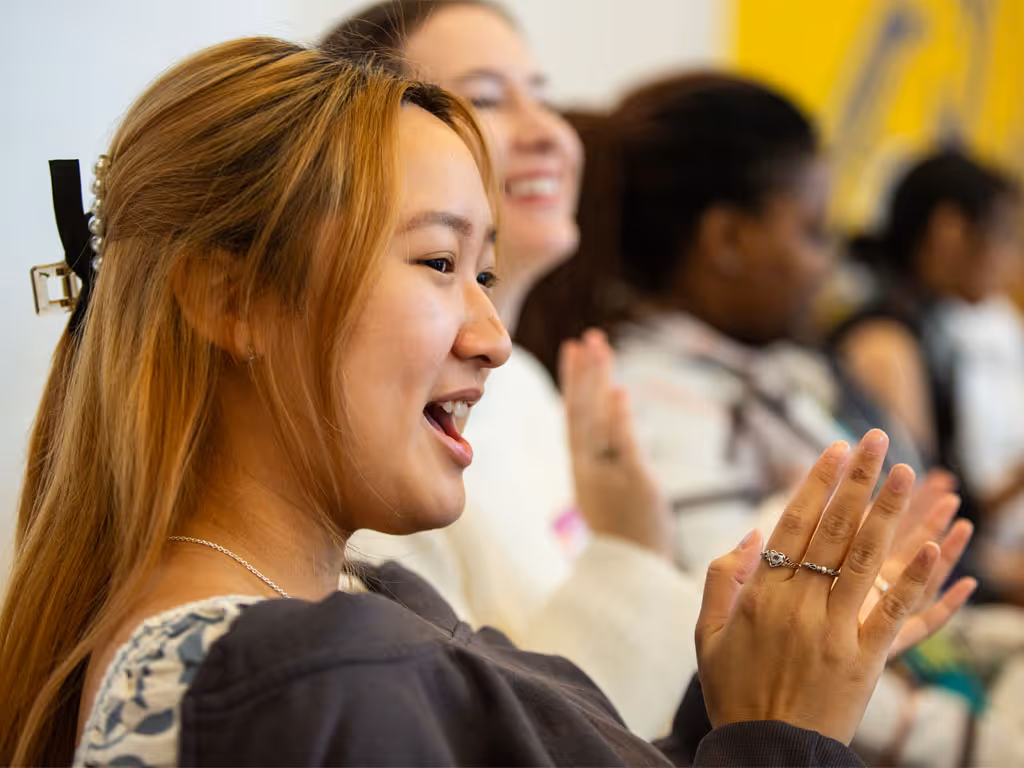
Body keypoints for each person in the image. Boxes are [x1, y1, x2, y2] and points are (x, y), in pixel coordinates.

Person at [0, 35, 949, 767]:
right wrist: (783, 736)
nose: (492, 336)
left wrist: (748, 700)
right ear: (232, 298)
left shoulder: (361, 613)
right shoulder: (292, 682)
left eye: (485, 273)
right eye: (438, 262)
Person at [516, 73, 981, 766]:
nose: (831, 264)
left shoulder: (772, 368)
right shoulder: (652, 401)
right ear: (728, 237)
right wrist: (965, 738)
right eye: (814, 231)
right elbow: (750, 633)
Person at [323, 0, 696, 738]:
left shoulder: (524, 381)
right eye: (489, 98)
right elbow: (474, 734)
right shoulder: (370, 427)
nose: (551, 133)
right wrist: (629, 552)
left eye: (544, 95)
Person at [831, 152, 1024, 562]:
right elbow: (909, 524)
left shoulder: (929, 330)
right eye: (1007, 236)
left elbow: (946, 508)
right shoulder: (886, 345)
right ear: (949, 230)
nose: (1014, 260)